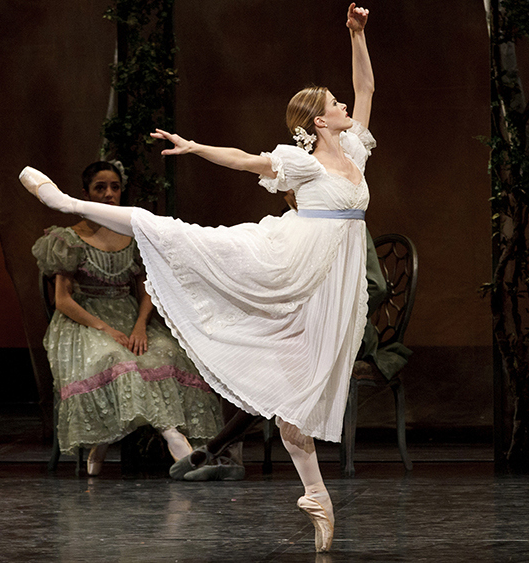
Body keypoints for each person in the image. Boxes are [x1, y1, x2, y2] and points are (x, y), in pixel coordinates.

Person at [20, 4, 374, 552]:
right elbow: (243, 160)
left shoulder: (353, 147)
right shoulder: (302, 163)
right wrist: (195, 148)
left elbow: (367, 86)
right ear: (318, 122)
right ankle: (66, 200)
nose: (345, 104)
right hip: (291, 260)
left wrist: (356, 35)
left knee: (301, 393)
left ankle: (317, 498)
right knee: (182, 236)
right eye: (335, 104)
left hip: (334, 279)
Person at [32, 161, 223, 476]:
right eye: (100, 188)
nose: (109, 194)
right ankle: (174, 440)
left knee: (167, 353)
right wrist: (104, 327)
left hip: (129, 315)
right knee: (114, 358)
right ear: (85, 194)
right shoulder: (68, 238)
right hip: (85, 321)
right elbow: (62, 300)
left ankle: (118, 440)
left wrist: (140, 326)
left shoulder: (134, 234)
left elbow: (146, 287)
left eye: (115, 187)